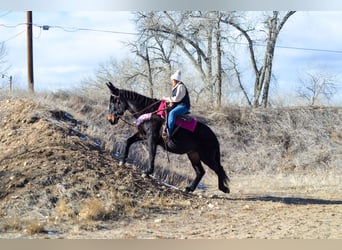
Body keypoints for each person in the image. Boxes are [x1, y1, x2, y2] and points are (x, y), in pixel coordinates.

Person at [162, 70, 191, 139]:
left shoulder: (181, 86)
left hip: (183, 106)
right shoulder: (176, 87)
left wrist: (166, 98)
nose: (171, 82)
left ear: (175, 80)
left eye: (172, 80)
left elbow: (177, 99)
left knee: (172, 113)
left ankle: (169, 132)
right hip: (178, 105)